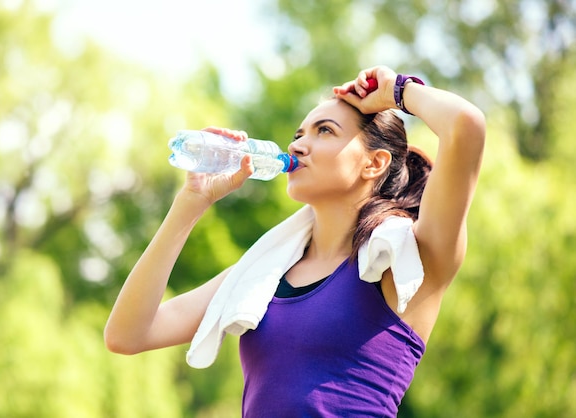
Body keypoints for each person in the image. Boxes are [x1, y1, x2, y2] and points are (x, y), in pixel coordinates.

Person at [104, 65, 486, 417]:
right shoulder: (262, 275)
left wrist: (395, 90)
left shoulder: (407, 260)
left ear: (374, 163)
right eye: (298, 134)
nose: (297, 146)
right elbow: (127, 334)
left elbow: (466, 127)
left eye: (325, 131)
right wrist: (191, 203)